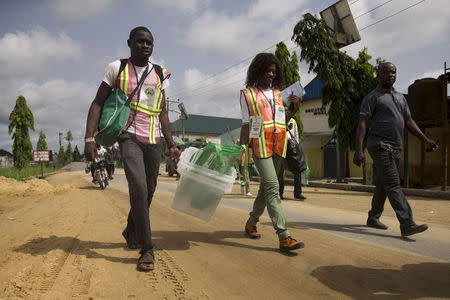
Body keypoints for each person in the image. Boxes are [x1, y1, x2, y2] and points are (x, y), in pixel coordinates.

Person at [84, 26, 180, 272]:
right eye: (140, 41)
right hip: (128, 137)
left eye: (149, 42)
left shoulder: (160, 73)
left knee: (148, 191)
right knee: (137, 187)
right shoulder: (117, 68)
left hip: (154, 140)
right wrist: (89, 138)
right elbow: (97, 103)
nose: (145, 46)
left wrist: (171, 144)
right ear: (129, 43)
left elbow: (164, 113)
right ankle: (147, 248)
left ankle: (130, 229)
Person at [353, 62, 438, 237]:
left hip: (395, 147)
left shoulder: (400, 98)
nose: (390, 75)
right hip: (379, 145)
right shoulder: (372, 97)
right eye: (386, 72)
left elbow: (409, 122)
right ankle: (407, 224)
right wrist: (359, 149)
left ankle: (373, 217)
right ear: (379, 75)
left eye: (393, 72)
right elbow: (362, 124)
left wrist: (426, 140)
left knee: (384, 184)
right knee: (393, 183)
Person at [239, 52, 304, 252]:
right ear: (257, 70)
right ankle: (284, 236)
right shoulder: (247, 94)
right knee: (273, 187)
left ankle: (251, 223)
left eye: (273, 72)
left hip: (279, 145)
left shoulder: (278, 94)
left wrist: (295, 107)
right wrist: (242, 150)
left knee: (265, 188)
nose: (270, 75)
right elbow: (244, 124)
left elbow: (282, 121)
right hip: (260, 146)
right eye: (267, 71)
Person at [278, 119, 306, 200]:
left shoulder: (293, 121)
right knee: (280, 171)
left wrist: (296, 148)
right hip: (281, 147)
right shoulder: (278, 117)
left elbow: (296, 134)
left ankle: (298, 193)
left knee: (298, 168)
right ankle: (279, 193)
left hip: (291, 147)